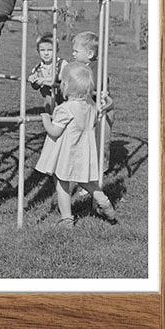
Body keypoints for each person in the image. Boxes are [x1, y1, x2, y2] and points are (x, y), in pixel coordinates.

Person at [34, 61, 117, 228]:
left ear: (65, 86)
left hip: (67, 152)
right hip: (84, 150)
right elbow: (104, 109)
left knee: (61, 180)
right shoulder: (91, 106)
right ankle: (103, 200)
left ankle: (67, 218)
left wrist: (45, 119)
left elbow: (55, 132)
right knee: (84, 180)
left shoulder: (64, 109)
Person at [27, 32, 64, 113]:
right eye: (42, 50)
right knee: (49, 108)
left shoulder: (62, 63)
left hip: (64, 96)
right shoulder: (38, 68)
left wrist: (44, 79)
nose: (46, 53)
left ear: (57, 50)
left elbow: (62, 76)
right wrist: (34, 79)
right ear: (38, 51)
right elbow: (35, 87)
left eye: (50, 50)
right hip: (49, 97)